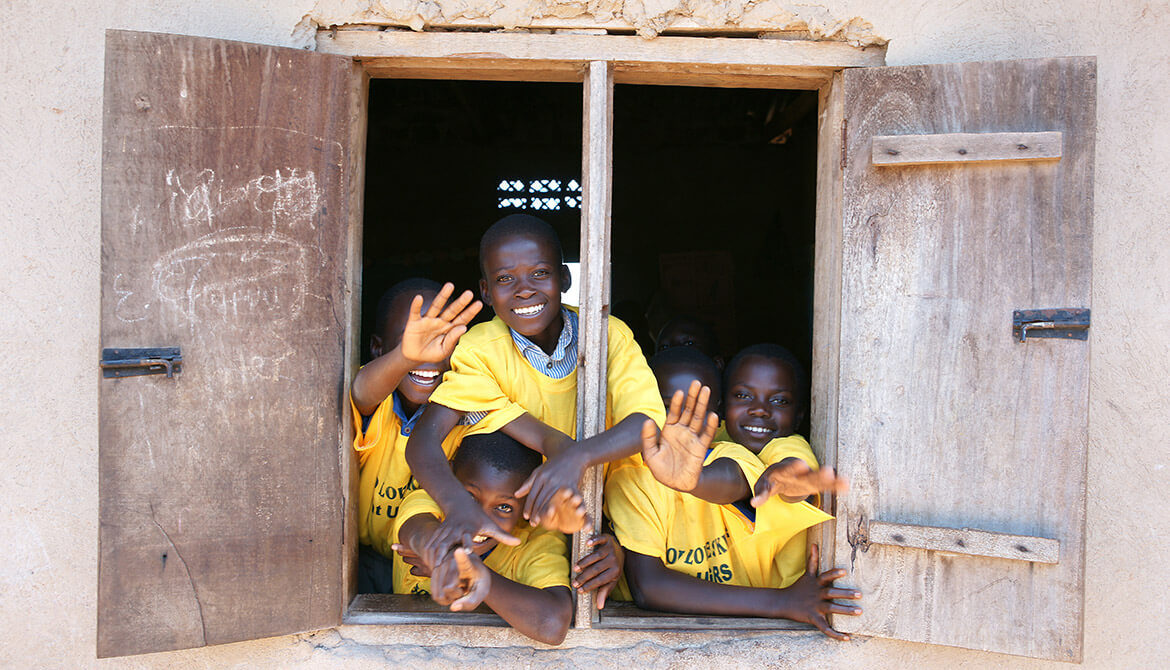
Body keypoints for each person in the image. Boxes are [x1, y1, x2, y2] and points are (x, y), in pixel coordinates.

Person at [405, 213, 665, 553]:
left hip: (596, 516)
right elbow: (424, 440)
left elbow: (646, 424)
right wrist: (456, 505)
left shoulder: (607, 336)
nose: (524, 290)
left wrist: (578, 456)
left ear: (564, 278)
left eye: (540, 273)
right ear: (486, 291)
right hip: (512, 523)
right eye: (504, 278)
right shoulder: (479, 349)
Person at [605, 344, 861, 639]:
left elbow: (740, 479)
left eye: (695, 410)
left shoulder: (735, 451)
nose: (678, 425)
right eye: (666, 408)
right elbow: (649, 587)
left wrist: (694, 481)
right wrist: (781, 602)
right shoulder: (629, 476)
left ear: (717, 415)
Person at [393, 431, 615, 644]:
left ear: (527, 503)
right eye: (470, 497)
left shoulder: (535, 541)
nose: (481, 520)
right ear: (449, 479)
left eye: (504, 507)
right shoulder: (429, 504)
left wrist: (477, 577)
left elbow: (552, 625)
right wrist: (445, 555)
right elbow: (417, 532)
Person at [349, 278, 482, 592]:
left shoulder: (466, 406)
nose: (428, 355)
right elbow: (361, 392)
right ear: (377, 348)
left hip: (429, 558)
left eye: (441, 339)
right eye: (409, 340)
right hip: (362, 559)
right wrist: (404, 357)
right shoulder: (377, 399)